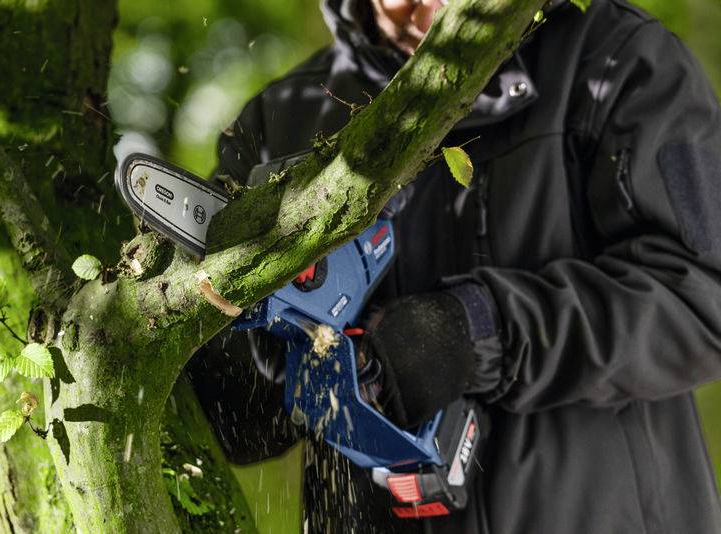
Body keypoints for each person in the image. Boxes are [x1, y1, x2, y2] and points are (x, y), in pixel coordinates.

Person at [188, 0, 721, 531]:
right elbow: (231, 425)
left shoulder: (614, 56)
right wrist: (279, 344)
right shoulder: (284, 118)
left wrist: (478, 330)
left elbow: (703, 296)